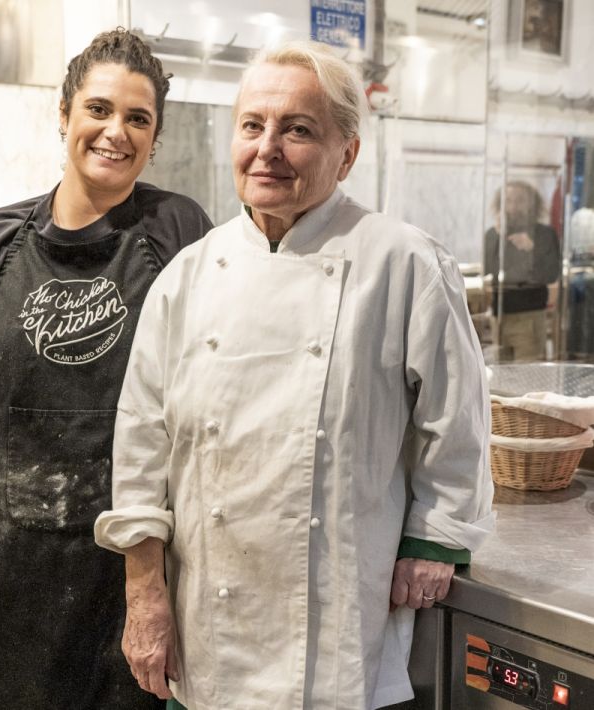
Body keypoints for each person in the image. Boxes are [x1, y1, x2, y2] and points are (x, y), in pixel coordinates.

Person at [94, 40, 495, 710]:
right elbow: (140, 451)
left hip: (338, 633)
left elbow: (457, 419)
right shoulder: (187, 277)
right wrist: (144, 598)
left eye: (298, 130)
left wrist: (440, 537)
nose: (268, 148)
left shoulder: (403, 263)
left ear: (348, 152)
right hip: (210, 631)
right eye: (252, 126)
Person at [0, 29, 212, 709]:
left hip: (116, 571)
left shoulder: (179, 232)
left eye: (137, 118)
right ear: (64, 115)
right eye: (99, 109)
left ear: (155, 136)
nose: (115, 131)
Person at [483, 180, 561, 361]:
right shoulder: (493, 234)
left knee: (528, 375)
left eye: (520, 200)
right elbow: (488, 270)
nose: (513, 206)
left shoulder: (544, 234)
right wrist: (498, 239)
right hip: (499, 315)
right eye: (508, 200)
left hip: (529, 316)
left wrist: (532, 250)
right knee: (501, 377)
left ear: (532, 204)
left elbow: (551, 274)